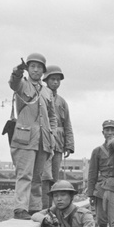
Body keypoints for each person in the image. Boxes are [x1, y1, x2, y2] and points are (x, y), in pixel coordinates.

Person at [9, 53, 57, 220]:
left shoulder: (47, 92)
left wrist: (52, 134)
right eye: (32, 66)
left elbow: (52, 116)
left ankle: (34, 208)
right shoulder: (22, 85)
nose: (36, 70)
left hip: (43, 139)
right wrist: (17, 70)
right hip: (25, 137)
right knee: (24, 174)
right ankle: (20, 208)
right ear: (28, 69)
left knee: (38, 177)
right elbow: (13, 82)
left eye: (39, 67)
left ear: (43, 71)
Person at [41, 65, 74, 209]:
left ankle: (54, 209)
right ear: (46, 80)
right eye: (52, 79)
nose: (55, 82)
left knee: (54, 177)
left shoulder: (62, 102)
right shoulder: (40, 96)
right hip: (43, 139)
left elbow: (67, 123)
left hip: (58, 143)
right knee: (44, 176)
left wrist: (69, 145)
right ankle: (43, 206)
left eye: (58, 80)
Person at [87, 119, 114, 227]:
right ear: (103, 132)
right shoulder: (97, 151)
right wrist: (91, 193)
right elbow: (92, 173)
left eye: (112, 130)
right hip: (102, 190)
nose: (109, 133)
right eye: (107, 130)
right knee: (102, 220)